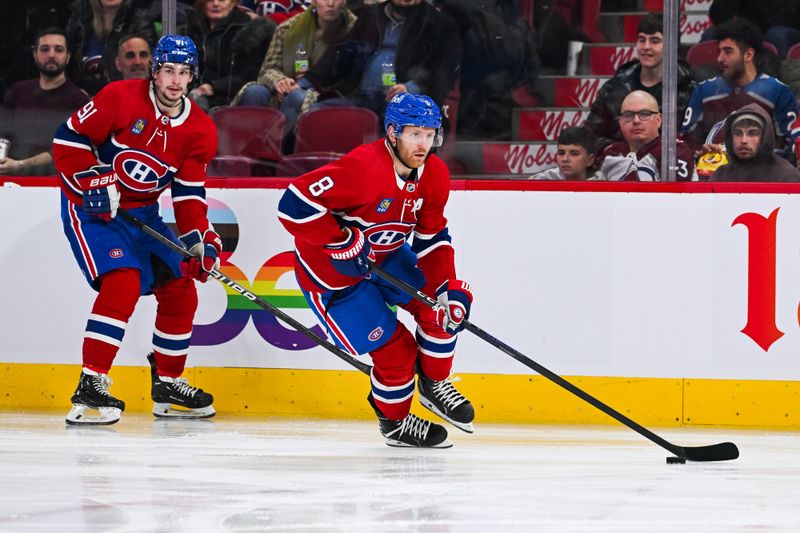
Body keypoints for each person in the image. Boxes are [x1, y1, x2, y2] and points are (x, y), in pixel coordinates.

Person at [277, 93, 474, 448]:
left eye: (430, 134)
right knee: (396, 353)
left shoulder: (435, 174)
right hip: (333, 276)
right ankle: (395, 423)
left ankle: (433, 383)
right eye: (415, 134)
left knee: (440, 307)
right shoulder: (362, 168)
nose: (423, 144)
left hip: (384, 256)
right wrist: (338, 239)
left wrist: (445, 287)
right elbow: (292, 205)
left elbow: (432, 238)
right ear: (393, 132)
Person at [53, 35, 220, 425]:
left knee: (180, 285)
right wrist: (90, 182)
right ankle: (91, 382)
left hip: (143, 215)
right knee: (123, 280)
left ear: (192, 77)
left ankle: (168, 382)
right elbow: (68, 137)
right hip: (90, 209)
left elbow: (189, 194)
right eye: (168, 71)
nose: (175, 81)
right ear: (155, 72)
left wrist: (200, 243)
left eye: (184, 73)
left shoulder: (200, 130)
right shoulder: (119, 97)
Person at [303, 0, 462, 122]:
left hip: (404, 103)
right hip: (358, 96)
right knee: (316, 114)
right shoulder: (371, 15)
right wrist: (306, 81)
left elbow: (446, 69)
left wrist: (412, 88)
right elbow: (340, 54)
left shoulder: (441, 25)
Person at [681, 18, 799, 158]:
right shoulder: (704, 90)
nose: (719, 58)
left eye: (728, 51)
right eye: (719, 51)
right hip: (711, 173)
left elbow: (789, 146)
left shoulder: (779, 92)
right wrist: (700, 153)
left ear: (748, 54)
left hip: (762, 175)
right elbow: (687, 142)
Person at [234, 0, 356, 126]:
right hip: (284, 91)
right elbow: (268, 69)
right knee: (254, 91)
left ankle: (279, 141)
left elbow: (352, 80)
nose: (330, 4)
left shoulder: (354, 30)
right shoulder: (289, 28)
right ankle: (252, 141)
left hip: (326, 95)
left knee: (297, 96)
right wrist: (280, 82)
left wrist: (304, 87)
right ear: (313, 1)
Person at [586, 13, 696, 153]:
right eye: (641, 40)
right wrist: (621, 150)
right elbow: (589, 137)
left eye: (655, 41)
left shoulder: (689, 90)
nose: (646, 47)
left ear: (672, 47)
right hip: (619, 166)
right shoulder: (614, 88)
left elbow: (694, 140)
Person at [0, 28, 89, 176]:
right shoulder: (18, 90)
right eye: (45, 49)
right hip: (10, 177)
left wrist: (21, 165)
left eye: (59, 50)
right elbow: (3, 132)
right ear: (35, 55)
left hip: (52, 181)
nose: (51, 55)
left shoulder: (78, 100)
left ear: (68, 57)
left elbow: (69, 149)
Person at [182, 0, 276, 111]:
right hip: (196, 94)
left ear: (233, 3)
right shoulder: (188, 28)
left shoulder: (251, 31)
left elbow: (252, 74)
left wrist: (214, 87)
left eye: (222, 0)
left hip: (235, 96)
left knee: (255, 90)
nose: (216, 4)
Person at [600, 90, 696, 181]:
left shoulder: (673, 151)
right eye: (628, 115)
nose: (636, 121)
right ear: (620, 122)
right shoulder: (612, 153)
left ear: (658, 120)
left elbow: (674, 195)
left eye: (645, 114)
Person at [66, 0, 157, 95]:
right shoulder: (79, 18)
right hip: (85, 100)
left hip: (125, 95)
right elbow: (67, 66)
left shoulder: (139, 20)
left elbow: (146, 67)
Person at [711, 104, 800, 181]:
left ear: (765, 136)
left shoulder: (786, 176)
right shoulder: (721, 175)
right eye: (738, 133)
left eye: (753, 133)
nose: (744, 140)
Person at [531, 126, 604, 180]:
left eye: (574, 154)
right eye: (561, 153)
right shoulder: (541, 180)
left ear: (590, 160)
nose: (565, 159)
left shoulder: (603, 185)